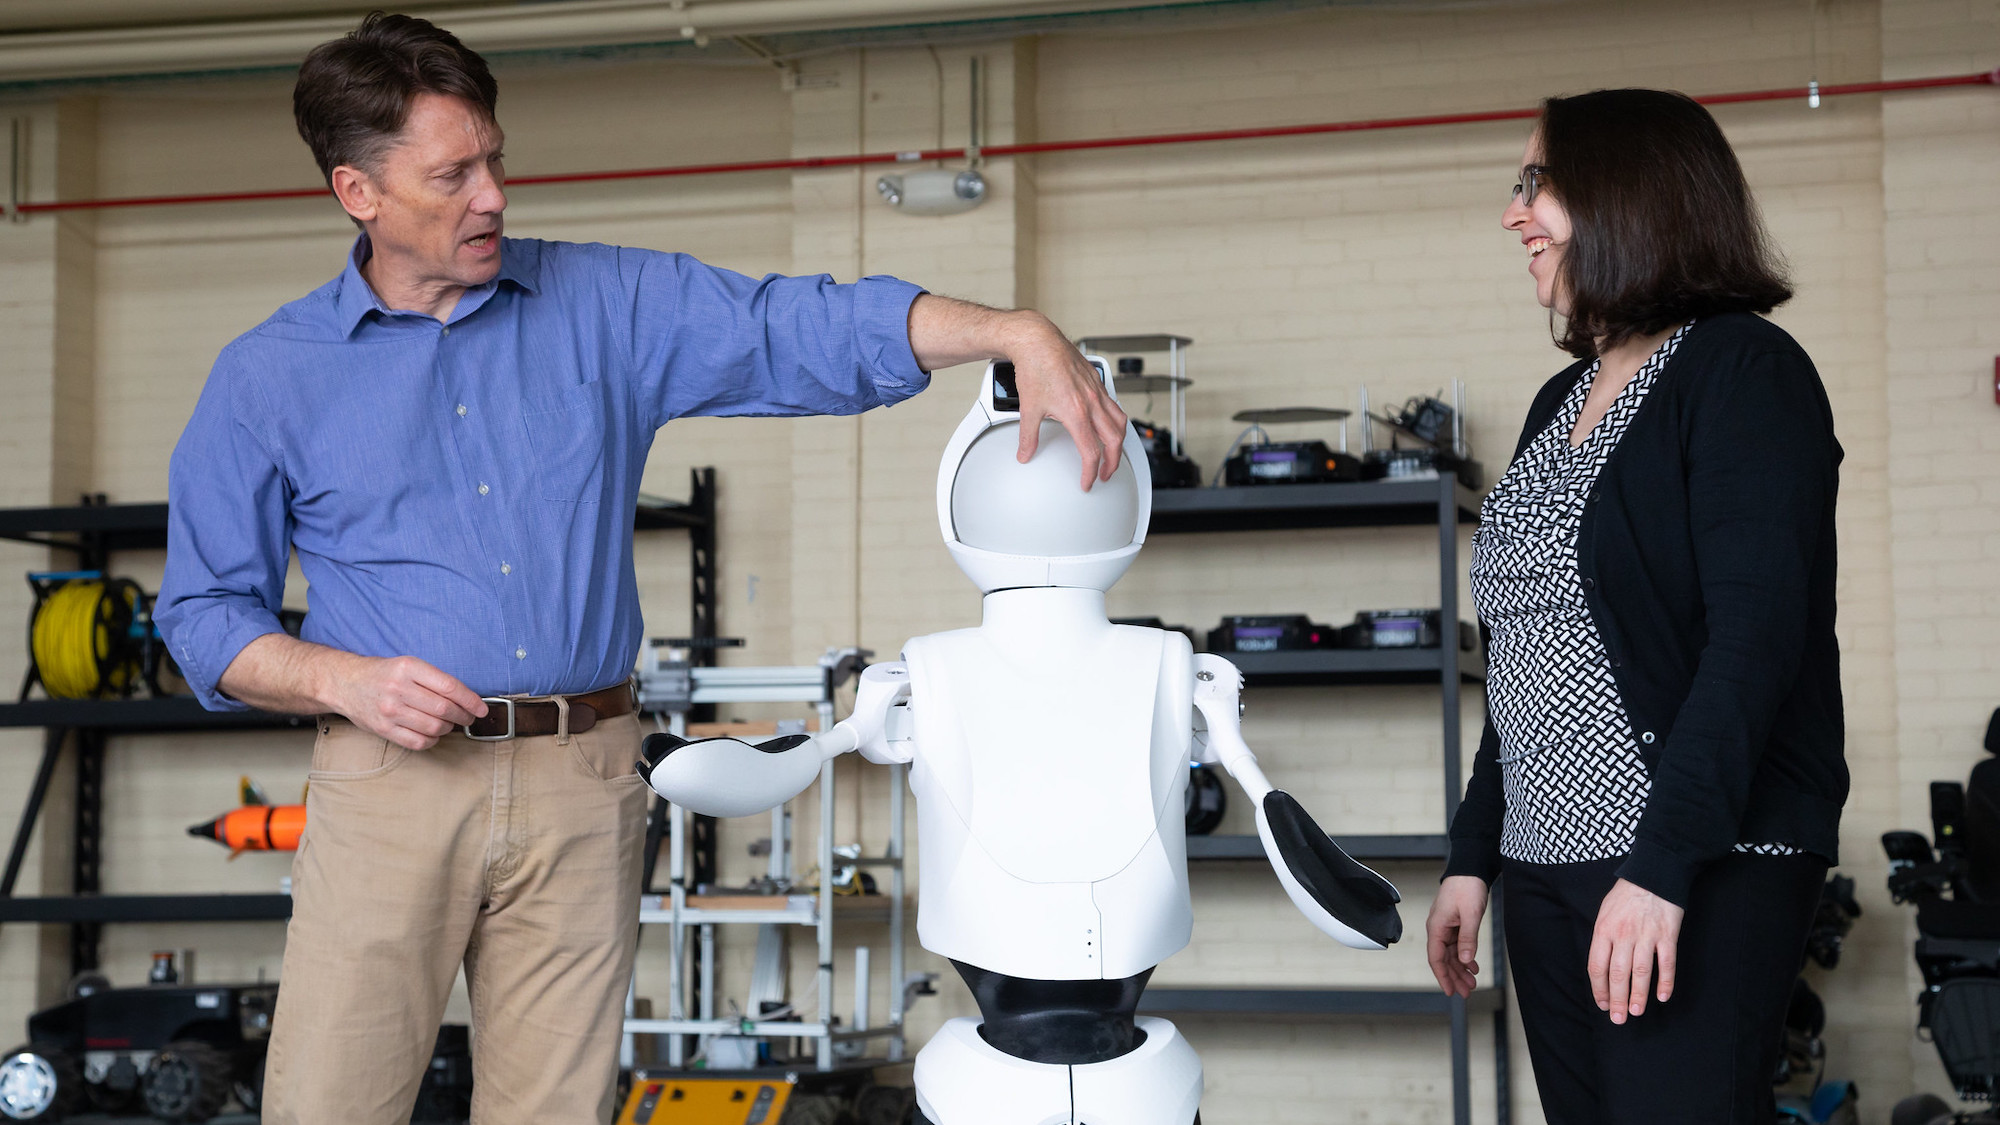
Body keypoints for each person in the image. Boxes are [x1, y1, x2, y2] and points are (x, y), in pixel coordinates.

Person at [154, 13, 1126, 1125]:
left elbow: (791, 328)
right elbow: (199, 614)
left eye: (495, 159)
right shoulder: (267, 377)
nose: (493, 197)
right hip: (389, 784)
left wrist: (1010, 332)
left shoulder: (604, 306)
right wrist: (341, 679)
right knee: (330, 1107)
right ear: (357, 192)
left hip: (585, 779)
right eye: (452, 174)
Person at [1423, 88, 1847, 1124]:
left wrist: (1659, 870)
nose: (1513, 213)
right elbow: (1530, 663)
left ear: (1625, 195)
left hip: (1692, 865)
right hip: (1545, 866)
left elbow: (1753, 643)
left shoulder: (1741, 371)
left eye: (1538, 183)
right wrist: (1473, 856)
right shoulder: (1556, 402)